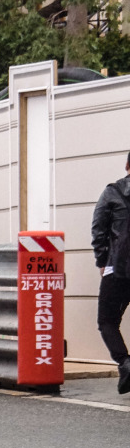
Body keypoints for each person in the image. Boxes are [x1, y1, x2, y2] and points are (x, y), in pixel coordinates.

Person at [91, 153, 130, 392]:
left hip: (118, 268)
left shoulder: (113, 192)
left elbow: (98, 229)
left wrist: (102, 260)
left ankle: (125, 362)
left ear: (127, 165)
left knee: (107, 321)